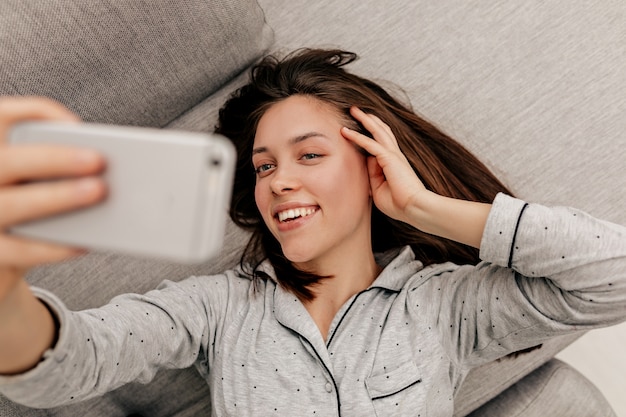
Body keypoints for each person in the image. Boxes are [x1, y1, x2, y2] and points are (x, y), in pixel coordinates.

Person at [0, 49, 624, 416]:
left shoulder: (443, 305)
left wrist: (423, 206)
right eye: (265, 165)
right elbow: (70, 364)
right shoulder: (218, 308)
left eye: (309, 156)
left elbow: (613, 276)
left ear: (374, 165)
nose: (276, 181)